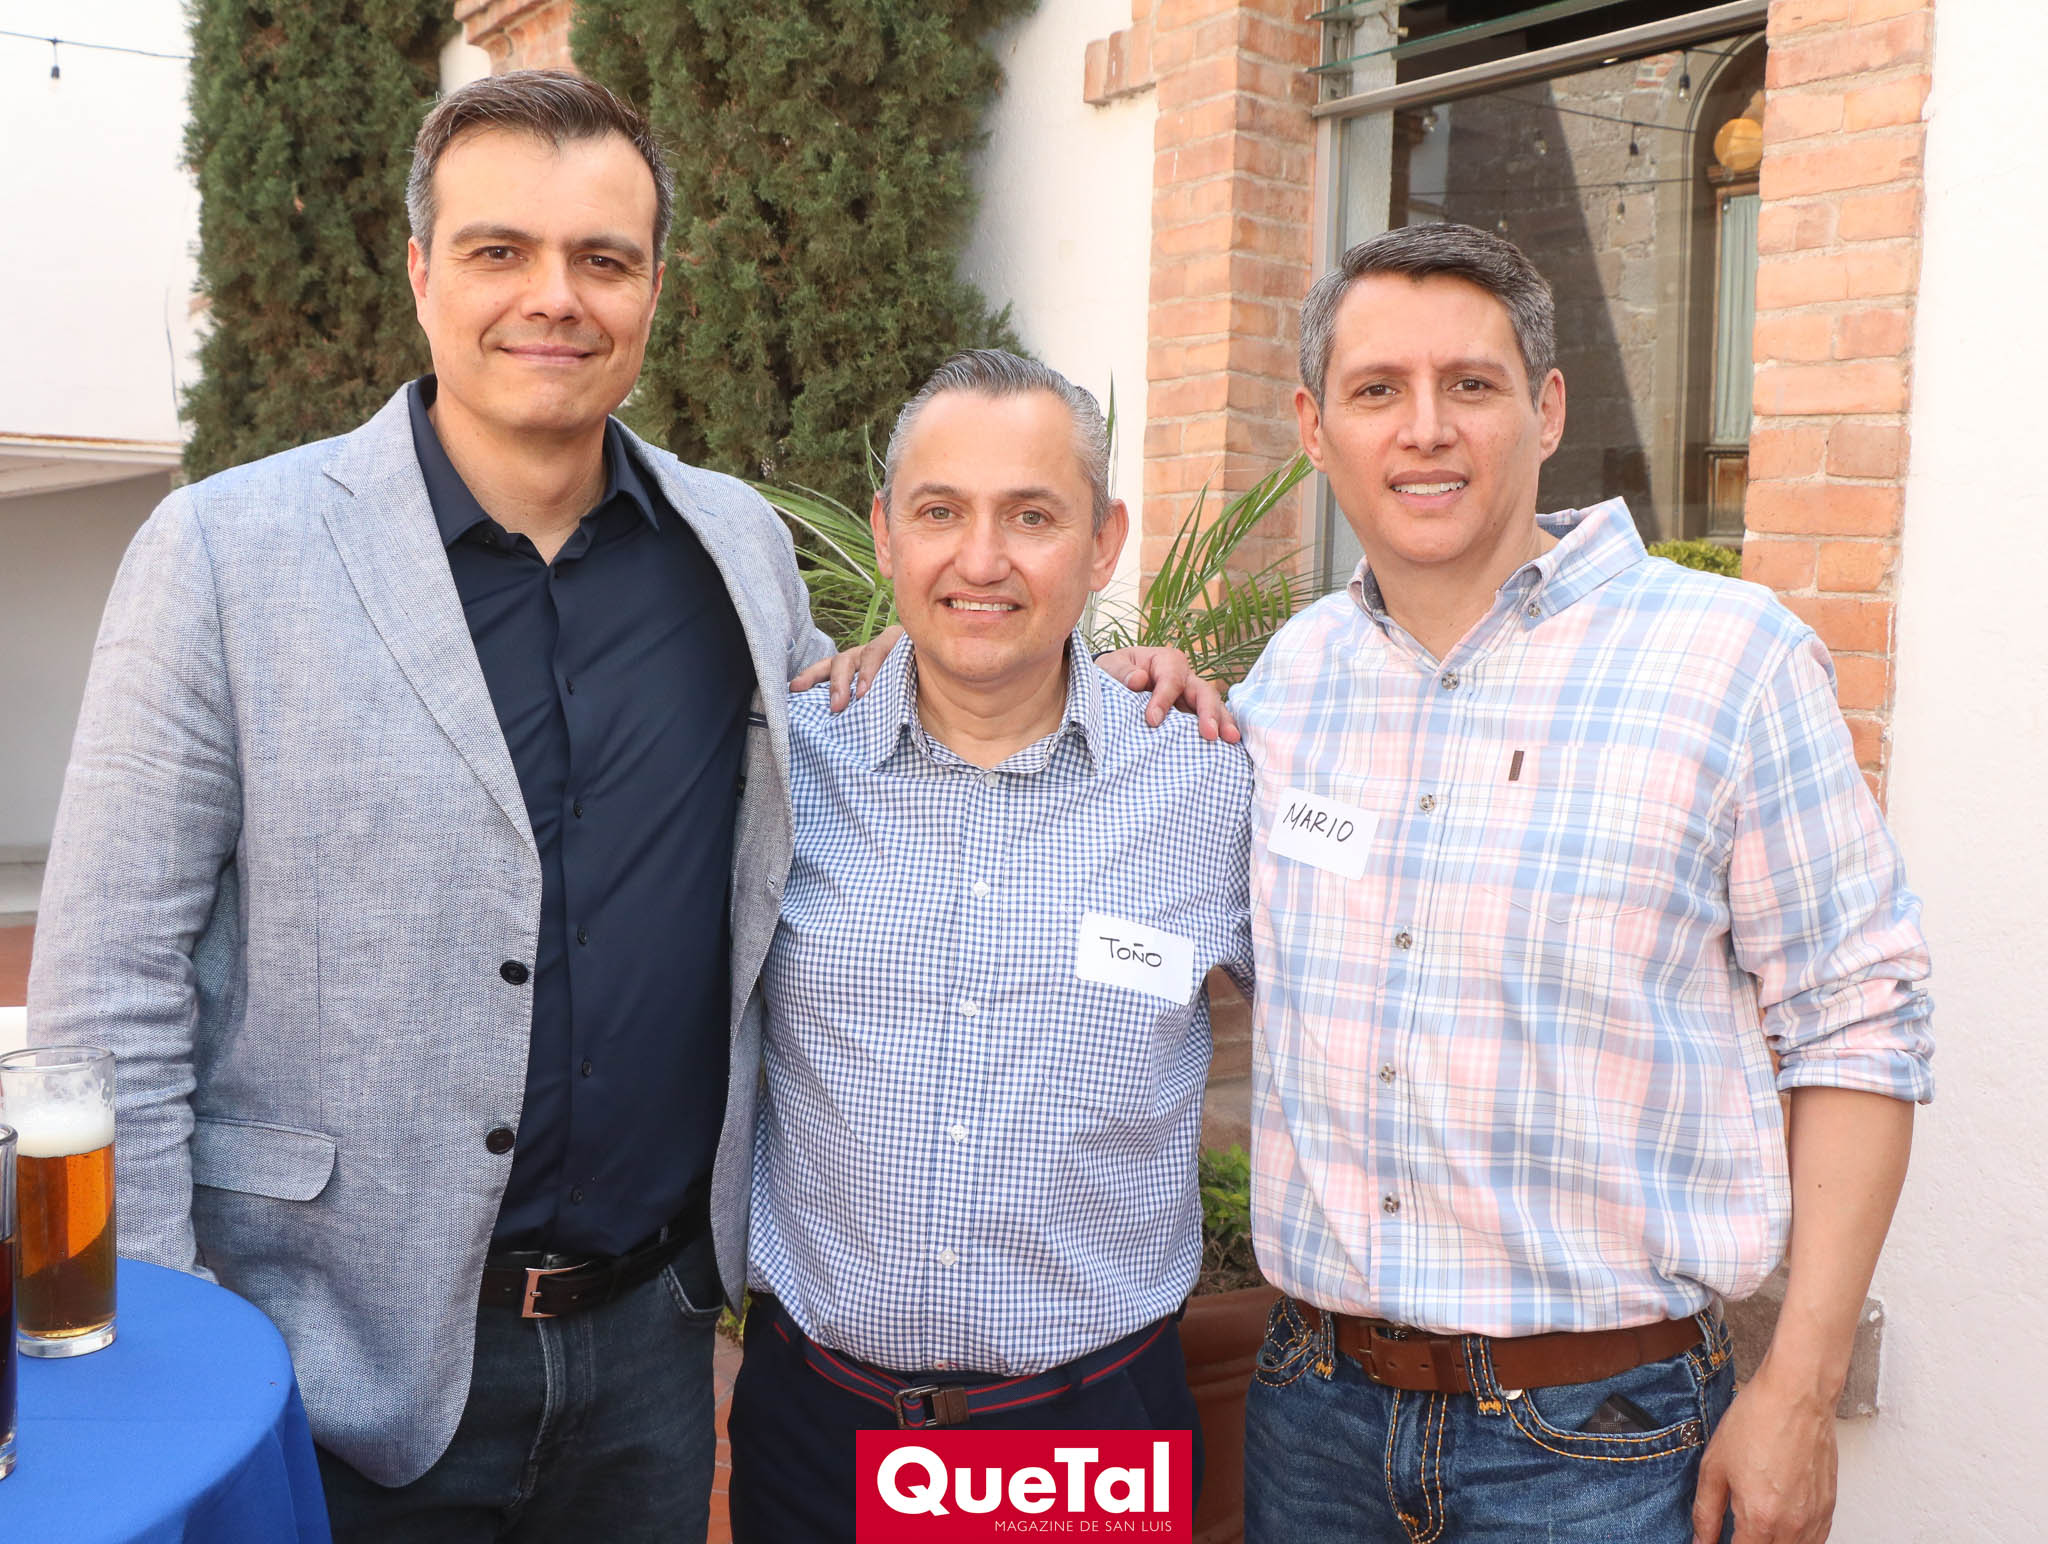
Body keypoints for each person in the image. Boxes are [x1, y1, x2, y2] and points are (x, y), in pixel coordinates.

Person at [24, 72, 1212, 1540]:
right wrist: (171, 1346)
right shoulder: (221, 553)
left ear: (653, 287)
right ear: (421, 270)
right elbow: (108, 986)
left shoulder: (736, 549)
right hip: (329, 1357)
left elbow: (900, 712)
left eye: (602, 257)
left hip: (650, 1361)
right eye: (500, 250)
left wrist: (1115, 674)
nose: (555, 296)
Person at [1228, 223, 1933, 1544]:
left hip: (1603, 1446)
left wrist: (1798, 1388)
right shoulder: (1286, 682)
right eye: (1378, 390)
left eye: (1471, 384)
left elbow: (1859, 1025)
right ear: (1317, 428)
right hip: (1313, 1419)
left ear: (1546, 410)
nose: (1424, 429)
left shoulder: (1728, 662)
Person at [725, 350, 1256, 1542]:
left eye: (1030, 515)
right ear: (883, 534)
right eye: (939, 512)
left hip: (1090, 1433)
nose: (979, 559)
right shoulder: (782, 764)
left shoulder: (1210, 781)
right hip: (819, 1426)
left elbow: (1358, 1018)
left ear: (1104, 541)